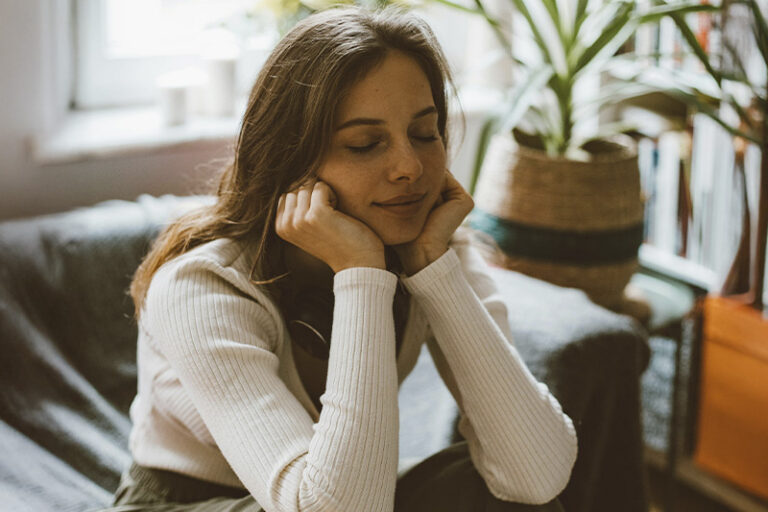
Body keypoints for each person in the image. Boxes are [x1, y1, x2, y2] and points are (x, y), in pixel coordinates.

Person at [107, 6, 577, 512]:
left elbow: (538, 476)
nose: (410, 167)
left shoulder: (433, 249)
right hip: (196, 502)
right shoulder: (202, 286)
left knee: (505, 493)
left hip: (335, 490)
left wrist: (434, 272)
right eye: (364, 143)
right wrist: (360, 274)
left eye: (425, 133)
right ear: (289, 159)